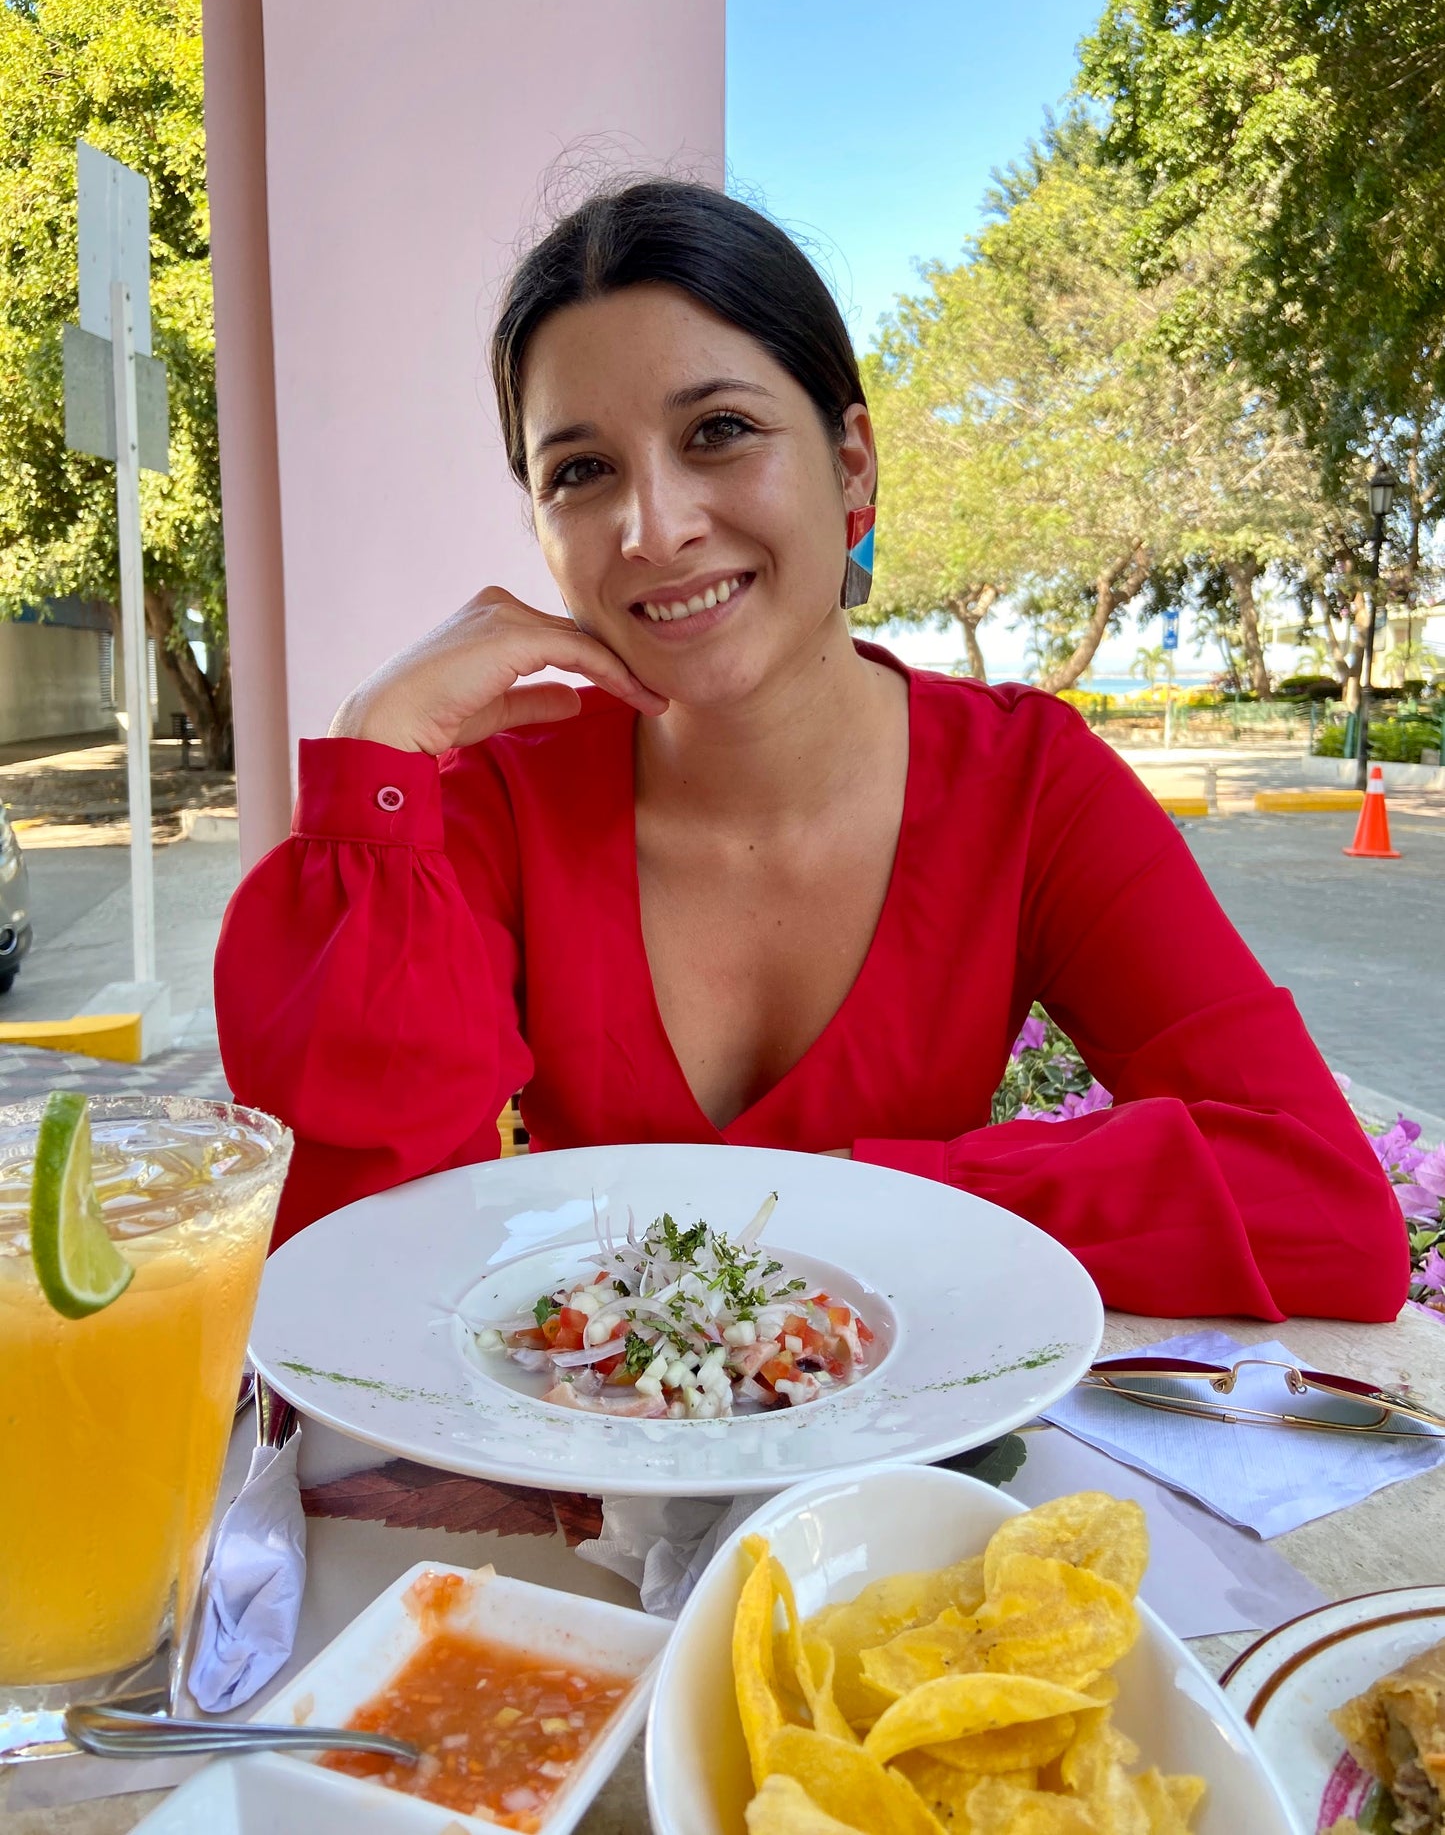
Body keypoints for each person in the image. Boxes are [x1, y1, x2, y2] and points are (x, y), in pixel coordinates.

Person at [215, 179, 1408, 1322]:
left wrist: (859, 1203)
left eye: (719, 431)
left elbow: (1323, 1206)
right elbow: (349, 1261)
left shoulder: (1026, 787)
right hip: (574, 1498)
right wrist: (374, 771)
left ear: (850, 464)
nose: (656, 528)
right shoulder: (496, 806)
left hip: (903, 1512)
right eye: (579, 472)